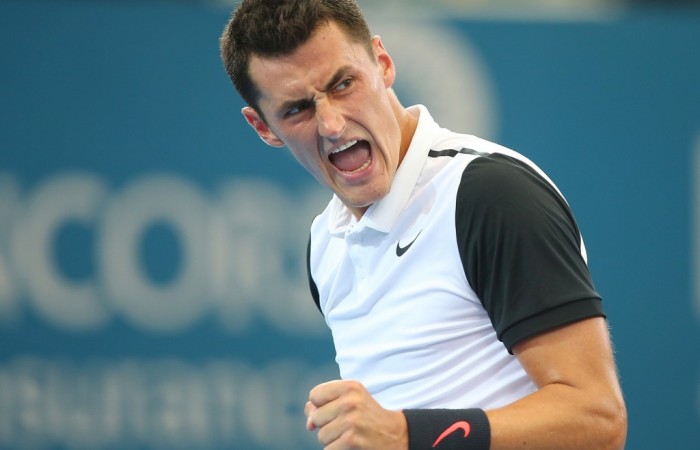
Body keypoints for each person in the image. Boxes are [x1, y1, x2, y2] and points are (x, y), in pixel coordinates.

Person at [219, 1, 627, 449]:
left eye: (343, 83)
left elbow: (598, 419)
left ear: (383, 63)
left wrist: (406, 433)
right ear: (264, 128)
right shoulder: (324, 243)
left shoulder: (490, 195)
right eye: (297, 109)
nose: (333, 124)